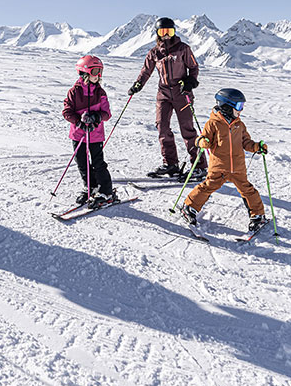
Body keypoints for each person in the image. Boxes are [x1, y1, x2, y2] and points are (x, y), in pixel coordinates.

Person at [179, 88, 269, 234]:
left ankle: (258, 216)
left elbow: (246, 142)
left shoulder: (239, 125)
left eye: (242, 106)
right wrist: (203, 142)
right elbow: (201, 138)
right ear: (227, 106)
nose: (241, 110)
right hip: (219, 166)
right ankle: (189, 207)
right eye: (239, 106)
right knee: (207, 186)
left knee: (248, 190)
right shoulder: (213, 123)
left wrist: (256, 147)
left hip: (238, 167)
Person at [128, 17, 201, 179]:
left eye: (170, 31)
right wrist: (138, 84)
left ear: (174, 32)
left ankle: (199, 165)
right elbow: (146, 71)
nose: (166, 35)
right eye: (163, 32)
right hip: (163, 94)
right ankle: (170, 164)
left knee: (187, 129)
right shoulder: (154, 52)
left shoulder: (183, 48)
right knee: (162, 127)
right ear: (158, 33)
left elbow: (194, 67)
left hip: (181, 92)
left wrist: (190, 81)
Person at [61, 55, 118, 207]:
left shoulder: (100, 93)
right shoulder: (74, 92)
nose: (98, 75)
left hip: (95, 135)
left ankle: (106, 191)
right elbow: (67, 111)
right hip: (78, 134)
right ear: (84, 72)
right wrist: (79, 122)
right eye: (95, 71)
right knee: (82, 162)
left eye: (100, 72)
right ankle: (91, 187)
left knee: (98, 163)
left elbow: (107, 114)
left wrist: (96, 117)